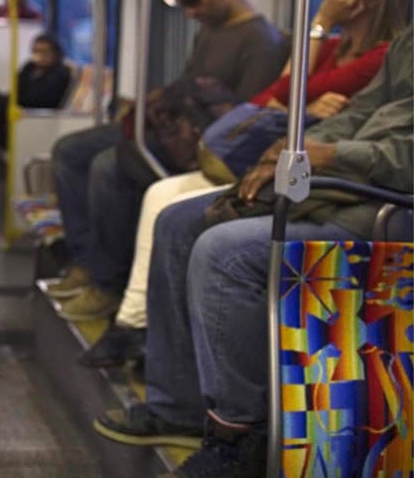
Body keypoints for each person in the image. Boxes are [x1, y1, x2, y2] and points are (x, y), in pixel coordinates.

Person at [93, 24, 412, 478]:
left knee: (225, 253)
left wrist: (334, 154)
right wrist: (295, 148)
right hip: (343, 184)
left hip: (382, 205)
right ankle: (177, 406)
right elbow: (360, 109)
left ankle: (240, 437)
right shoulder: (408, 41)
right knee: (178, 221)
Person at [78, 0, 411, 366]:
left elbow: (288, 101)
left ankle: (147, 339)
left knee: (188, 220)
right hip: (272, 155)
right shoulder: (331, 49)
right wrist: (305, 92)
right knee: (158, 199)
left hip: (334, 181)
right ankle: (141, 333)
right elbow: (270, 100)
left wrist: (320, 27)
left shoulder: (380, 54)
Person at [47, 0, 288, 315]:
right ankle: (86, 260)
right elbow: (191, 83)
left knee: (108, 166)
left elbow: (243, 119)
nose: (189, 13)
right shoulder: (210, 31)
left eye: (193, 0)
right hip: (176, 130)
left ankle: (108, 283)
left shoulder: (262, 43)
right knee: (70, 151)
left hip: (205, 148)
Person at [0, 33, 72, 149]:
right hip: (19, 103)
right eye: (36, 51)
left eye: (44, 52)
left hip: (32, 113)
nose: (40, 56)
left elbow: (43, 98)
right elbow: (16, 88)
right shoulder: (30, 68)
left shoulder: (60, 73)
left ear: (55, 53)